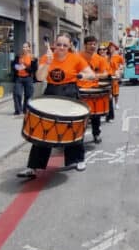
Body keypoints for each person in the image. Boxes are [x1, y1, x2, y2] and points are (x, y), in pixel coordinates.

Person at [17, 34, 96, 177]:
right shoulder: (46, 57)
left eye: (65, 45)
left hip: (70, 92)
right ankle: (33, 167)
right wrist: (47, 63)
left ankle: (78, 159)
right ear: (54, 44)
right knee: (44, 129)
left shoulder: (76, 58)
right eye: (59, 44)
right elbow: (40, 78)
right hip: (52, 92)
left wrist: (84, 76)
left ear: (70, 46)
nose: (61, 48)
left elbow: (91, 74)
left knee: (73, 128)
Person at [79, 36, 111, 144]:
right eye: (90, 44)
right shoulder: (78, 57)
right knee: (80, 116)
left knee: (95, 115)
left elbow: (106, 73)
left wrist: (93, 76)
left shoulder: (100, 59)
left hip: (94, 89)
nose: (92, 46)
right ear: (85, 45)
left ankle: (96, 134)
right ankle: (79, 136)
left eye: (94, 44)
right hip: (79, 89)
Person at [11, 42, 37, 115]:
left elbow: (34, 69)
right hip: (19, 78)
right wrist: (16, 67)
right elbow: (13, 65)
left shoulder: (33, 58)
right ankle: (18, 110)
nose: (24, 48)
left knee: (28, 94)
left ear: (29, 48)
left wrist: (25, 65)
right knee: (17, 93)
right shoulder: (18, 56)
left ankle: (25, 109)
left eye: (26, 47)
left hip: (28, 78)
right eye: (23, 47)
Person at [107, 44, 124, 120]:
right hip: (108, 75)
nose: (111, 49)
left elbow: (122, 64)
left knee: (116, 91)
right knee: (109, 91)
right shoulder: (107, 57)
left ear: (115, 48)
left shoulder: (118, 56)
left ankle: (116, 103)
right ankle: (109, 105)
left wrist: (120, 71)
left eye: (112, 48)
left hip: (115, 75)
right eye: (110, 48)